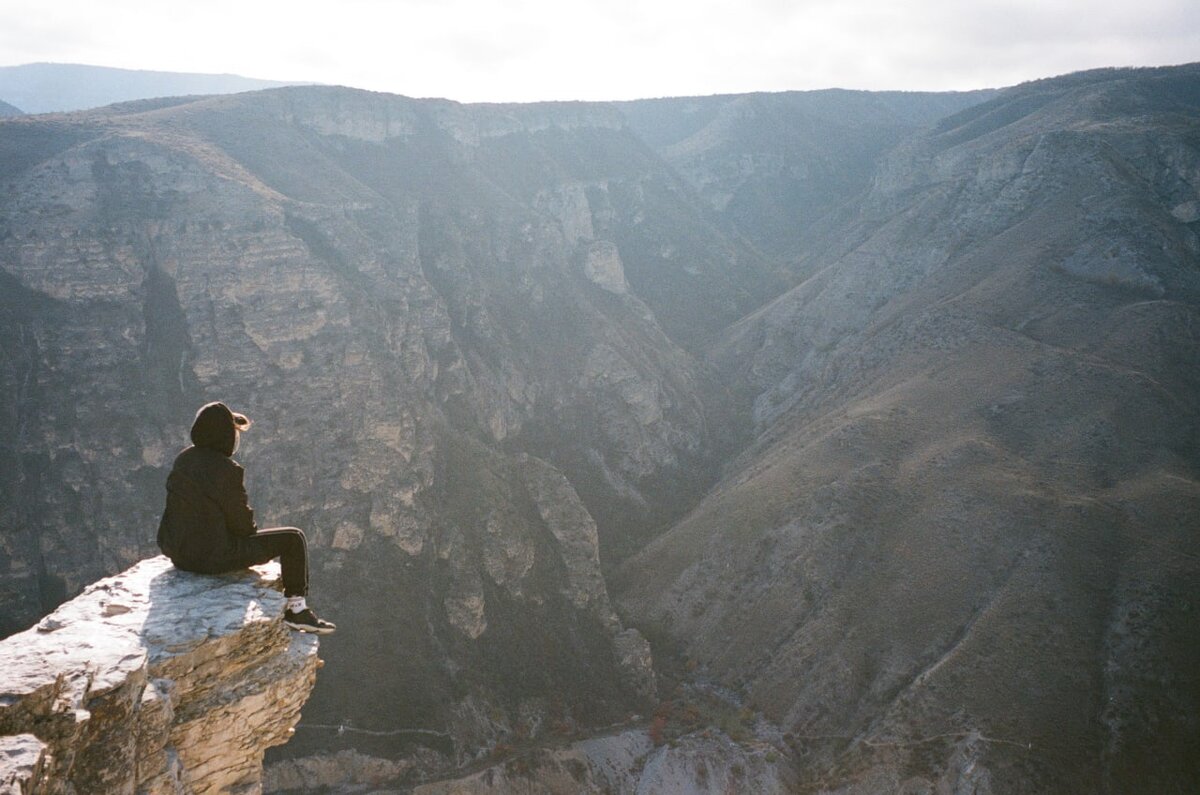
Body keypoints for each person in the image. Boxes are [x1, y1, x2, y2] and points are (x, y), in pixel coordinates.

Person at [157, 401, 335, 634]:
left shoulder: (184, 460)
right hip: (212, 559)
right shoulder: (226, 469)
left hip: (179, 555)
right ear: (226, 437)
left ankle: (296, 610)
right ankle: (297, 610)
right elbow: (243, 528)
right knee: (294, 539)